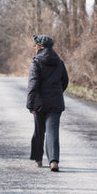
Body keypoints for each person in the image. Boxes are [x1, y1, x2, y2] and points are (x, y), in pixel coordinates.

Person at [27, 34, 69, 172]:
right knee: (53, 131)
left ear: (39, 46)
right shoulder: (59, 62)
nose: (34, 48)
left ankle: (38, 159)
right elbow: (65, 81)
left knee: (39, 131)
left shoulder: (36, 62)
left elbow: (33, 84)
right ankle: (53, 161)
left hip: (39, 103)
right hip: (56, 102)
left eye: (35, 45)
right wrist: (56, 93)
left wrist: (30, 103)